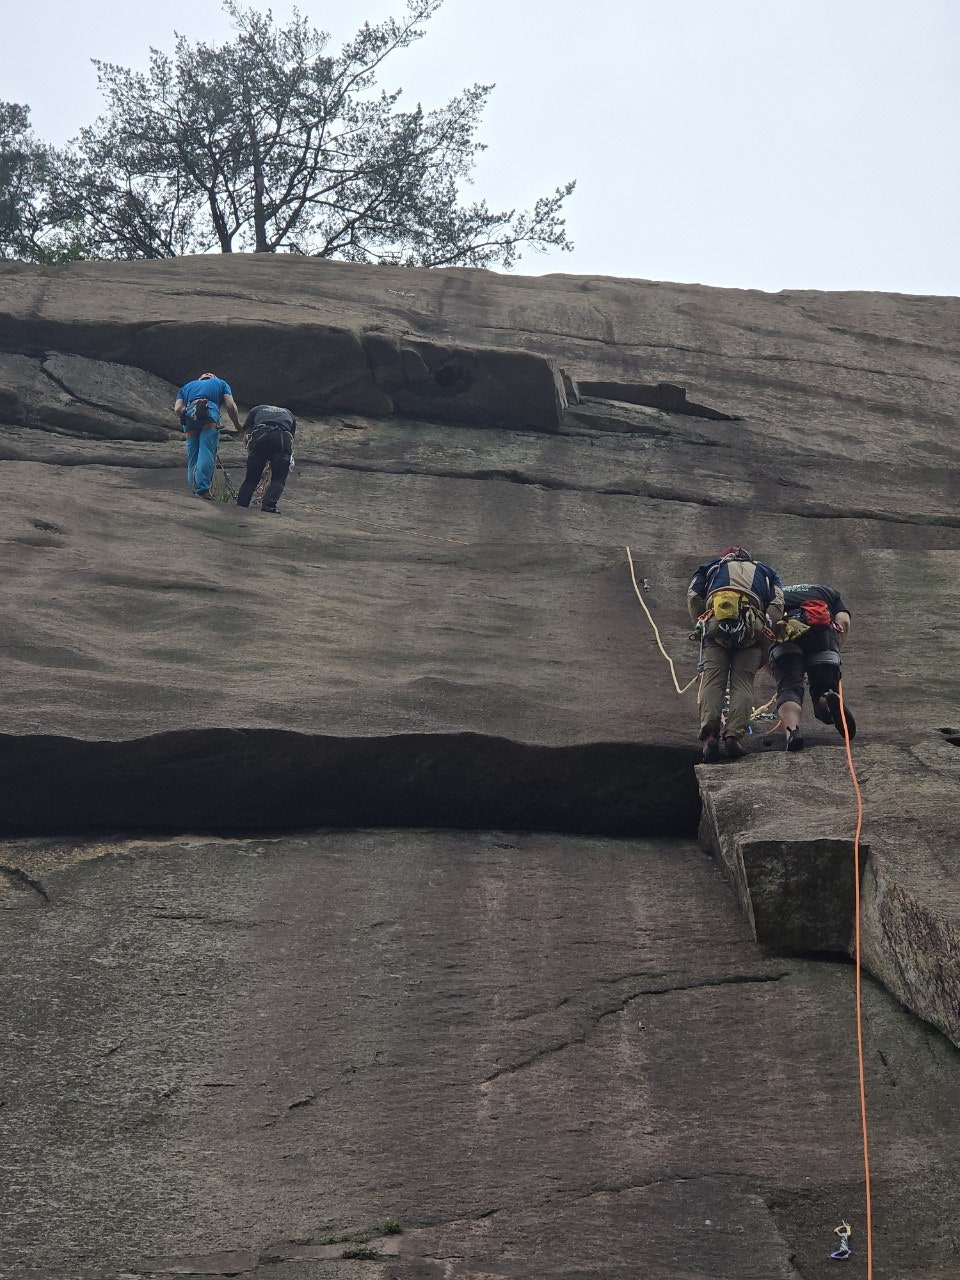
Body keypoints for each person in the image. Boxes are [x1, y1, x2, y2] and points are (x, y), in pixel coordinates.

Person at [687, 546, 784, 762]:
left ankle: (710, 736)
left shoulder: (711, 566)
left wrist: (701, 622)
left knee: (712, 680)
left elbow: (694, 595)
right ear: (749, 559)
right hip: (752, 627)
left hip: (716, 623)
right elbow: (777, 605)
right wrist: (766, 639)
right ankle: (733, 736)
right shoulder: (767, 571)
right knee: (743, 682)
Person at [769, 583, 854, 751]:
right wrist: (835, 649)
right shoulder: (828, 591)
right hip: (822, 634)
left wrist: (780, 675)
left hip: (787, 635)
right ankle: (828, 697)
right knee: (823, 687)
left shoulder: (774, 595)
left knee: (789, 689)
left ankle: (792, 732)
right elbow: (843, 620)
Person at [173, 372, 242, 500]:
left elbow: (177, 409)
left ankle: (195, 489)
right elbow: (230, 405)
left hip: (188, 416)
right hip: (208, 413)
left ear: (200, 378)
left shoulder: (187, 386)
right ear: (213, 377)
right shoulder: (220, 383)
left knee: (193, 455)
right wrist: (237, 425)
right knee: (206, 451)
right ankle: (202, 490)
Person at [236, 404, 297, 514]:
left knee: (251, 478)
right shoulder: (289, 413)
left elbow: (247, 433)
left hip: (261, 435)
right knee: (279, 478)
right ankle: (269, 506)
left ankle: (241, 504)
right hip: (283, 437)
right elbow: (291, 437)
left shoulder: (256, 409)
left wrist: (250, 450)